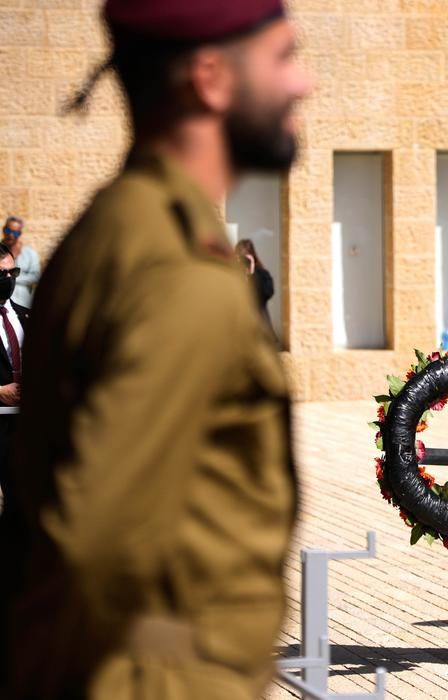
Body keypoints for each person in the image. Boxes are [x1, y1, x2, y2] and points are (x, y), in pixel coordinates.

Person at [0, 2, 311, 697]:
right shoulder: (179, 274)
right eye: (284, 57)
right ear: (210, 78)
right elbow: (94, 544)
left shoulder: (116, 227)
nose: (305, 82)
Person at [0, 244, 27, 497]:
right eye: (1, 274)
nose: (8, 279)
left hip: (24, 428)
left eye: (13, 272)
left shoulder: (27, 317)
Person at [2, 216, 41, 308]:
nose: (11, 235)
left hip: (23, 303)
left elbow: (36, 276)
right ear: (4, 230)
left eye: (15, 233)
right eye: (8, 231)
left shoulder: (30, 253)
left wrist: (14, 277)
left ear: (19, 233)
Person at [235, 238, 275, 327]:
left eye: (246, 257)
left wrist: (252, 274)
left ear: (253, 256)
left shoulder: (262, 274)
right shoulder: (231, 276)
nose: (243, 261)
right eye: (240, 257)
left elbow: (267, 294)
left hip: (259, 326)